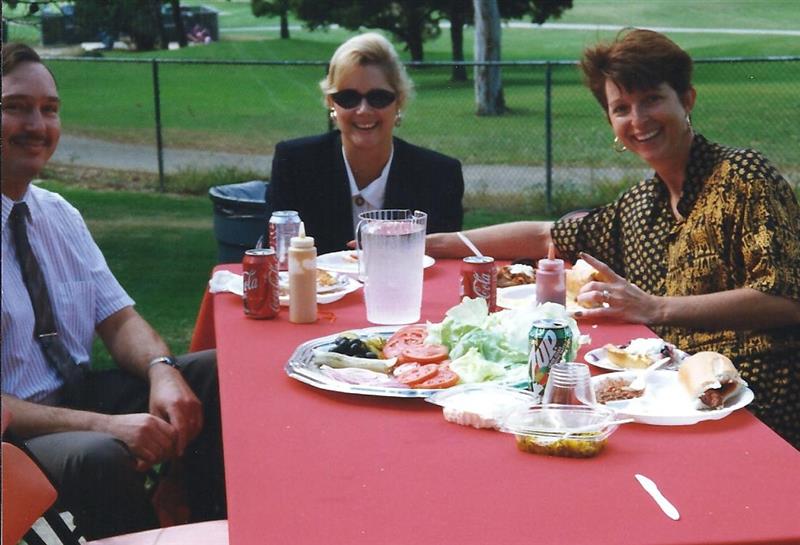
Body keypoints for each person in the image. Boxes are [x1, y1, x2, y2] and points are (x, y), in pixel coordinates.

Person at [426, 29, 800, 448]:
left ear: (687, 99)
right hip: (672, 399)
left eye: (652, 99)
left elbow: (786, 299)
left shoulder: (743, 177)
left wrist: (653, 307)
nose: (638, 120)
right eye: (622, 108)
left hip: (760, 403)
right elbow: (544, 234)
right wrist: (428, 243)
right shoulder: (641, 204)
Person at [1, 43, 226, 538]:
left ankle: (215, 525)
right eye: (14, 107)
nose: (37, 125)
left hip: (78, 393)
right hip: (13, 434)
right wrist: (106, 426)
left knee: (213, 373)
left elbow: (119, 318)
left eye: (49, 109)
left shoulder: (58, 214)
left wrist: (161, 370)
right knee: (96, 455)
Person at [268, 32, 464, 255]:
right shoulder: (294, 164)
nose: (363, 110)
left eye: (378, 97)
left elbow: (442, 271)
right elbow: (280, 261)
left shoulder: (439, 175)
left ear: (398, 102)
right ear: (331, 103)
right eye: (348, 98)